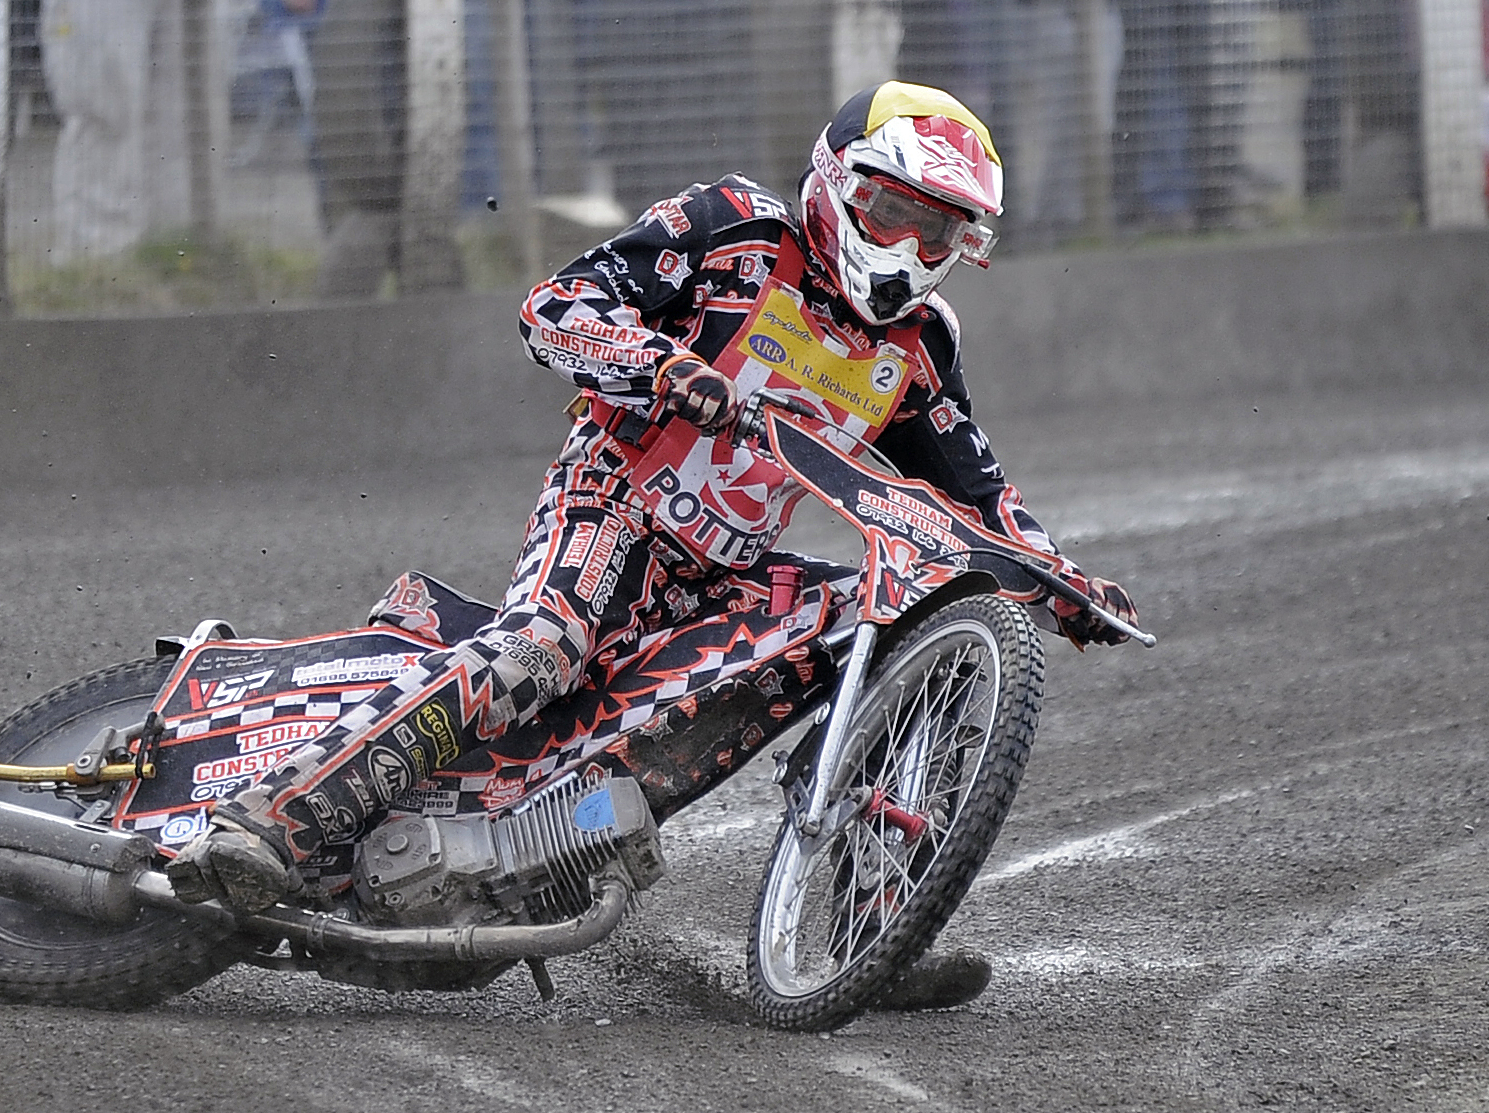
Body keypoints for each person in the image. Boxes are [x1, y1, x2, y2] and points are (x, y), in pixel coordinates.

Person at [167, 81, 1139, 914]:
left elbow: (978, 497)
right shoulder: (731, 227)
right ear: (836, 183)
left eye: (938, 231)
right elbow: (553, 306)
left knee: (886, 612)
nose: (909, 247)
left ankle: (878, 909)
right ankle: (272, 820)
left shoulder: (920, 347)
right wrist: (662, 366)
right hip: (614, 500)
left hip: (727, 571)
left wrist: (1060, 580)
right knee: (541, 649)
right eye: (892, 213)